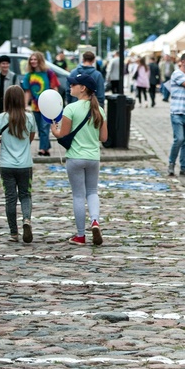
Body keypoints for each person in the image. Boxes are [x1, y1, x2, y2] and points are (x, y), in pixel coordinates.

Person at [50, 72, 108, 246]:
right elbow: (104, 137)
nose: (70, 86)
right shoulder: (99, 110)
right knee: (92, 192)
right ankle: (95, 221)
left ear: (82, 88)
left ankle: (81, 236)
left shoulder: (70, 109)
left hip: (75, 157)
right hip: (93, 158)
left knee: (78, 196)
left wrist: (55, 131)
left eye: (73, 84)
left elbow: (63, 134)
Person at [0, 86, 37, 243]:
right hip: (25, 164)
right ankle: (27, 220)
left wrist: (3, 139)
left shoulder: (1, 118)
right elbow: (30, 138)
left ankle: (13, 233)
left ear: (6, 100)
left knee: (10, 198)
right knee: (25, 195)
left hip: (7, 165)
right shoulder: (29, 118)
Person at [23, 51, 61, 157]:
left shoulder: (48, 73)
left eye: (35, 59)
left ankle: (43, 149)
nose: (33, 61)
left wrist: (56, 102)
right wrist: (26, 104)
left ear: (40, 60)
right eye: (31, 59)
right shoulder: (29, 75)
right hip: (35, 106)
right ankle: (46, 147)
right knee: (40, 129)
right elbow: (28, 91)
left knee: (45, 128)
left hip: (47, 106)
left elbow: (55, 87)